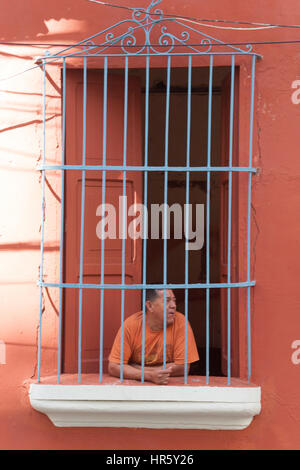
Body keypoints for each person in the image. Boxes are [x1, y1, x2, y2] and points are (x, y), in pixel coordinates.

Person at [108, 287, 199, 385]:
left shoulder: (181, 323)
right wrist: (149, 376)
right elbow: (114, 367)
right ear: (150, 306)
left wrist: (137, 368)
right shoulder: (131, 325)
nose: (173, 305)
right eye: (167, 301)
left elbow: (182, 368)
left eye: (174, 301)